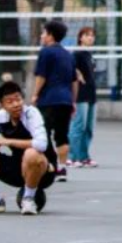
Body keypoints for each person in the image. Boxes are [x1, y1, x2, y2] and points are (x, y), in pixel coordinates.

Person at [0, 80, 57, 215]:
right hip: (18, 169)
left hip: (44, 171)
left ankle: (28, 199)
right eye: (10, 101)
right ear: (2, 105)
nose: (16, 104)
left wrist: (6, 142)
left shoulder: (31, 114)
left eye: (18, 99)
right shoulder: (2, 116)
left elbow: (41, 144)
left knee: (32, 153)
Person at [32, 20, 77, 181]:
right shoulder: (68, 55)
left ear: (50, 35)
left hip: (49, 100)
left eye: (44, 33)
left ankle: (51, 165)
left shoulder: (45, 52)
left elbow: (41, 76)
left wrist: (35, 95)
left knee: (42, 134)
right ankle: (62, 168)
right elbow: (74, 81)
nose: (41, 36)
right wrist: (73, 101)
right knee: (62, 136)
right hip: (65, 101)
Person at [69, 26, 98, 168]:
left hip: (92, 94)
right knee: (78, 126)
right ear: (80, 38)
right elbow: (68, 66)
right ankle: (72, 157)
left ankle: (84, 156)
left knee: (89, 128)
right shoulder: (77, 53)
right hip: (80, 94)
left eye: (92, 35)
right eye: (87, 35)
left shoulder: (90, 55)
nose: (90, 38)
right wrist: (76, 72)